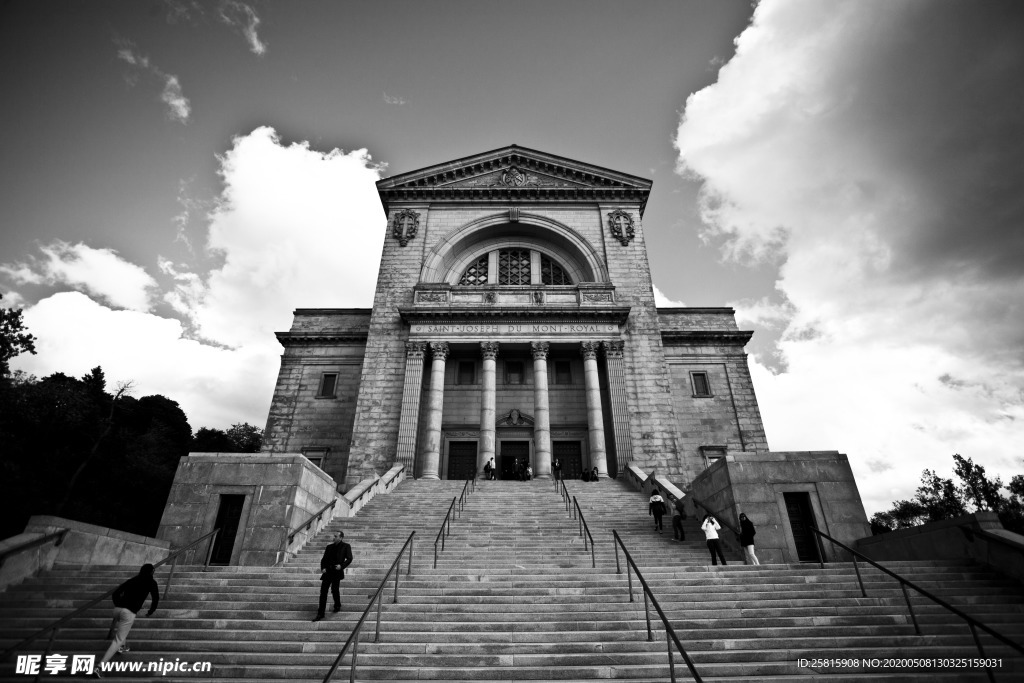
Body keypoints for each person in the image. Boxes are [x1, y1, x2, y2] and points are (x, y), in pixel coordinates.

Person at [100, 564, 159, 666]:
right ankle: (99, 666)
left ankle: (123, 647)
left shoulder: (133, 579)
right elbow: (155, 598)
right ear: (152, 572)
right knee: (118, 640)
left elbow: (116, 593)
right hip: (129, 612)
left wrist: (118, 604)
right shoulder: (151, 582)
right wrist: (151, 611)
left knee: (123, 628)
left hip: (117, 609)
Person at [314, 531, 353, 621]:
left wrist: (342, 566)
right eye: (334, 536)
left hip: (337, 571)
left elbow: (349, 558)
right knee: (323, 592)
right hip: (327, 571)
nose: (334, 538)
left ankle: (337, 605)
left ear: (341, 538)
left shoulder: (346, 546)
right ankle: (320, 613)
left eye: (336, 536)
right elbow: (323, 559)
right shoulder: (329, 547)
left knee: (334, 590)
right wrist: (323, 568)